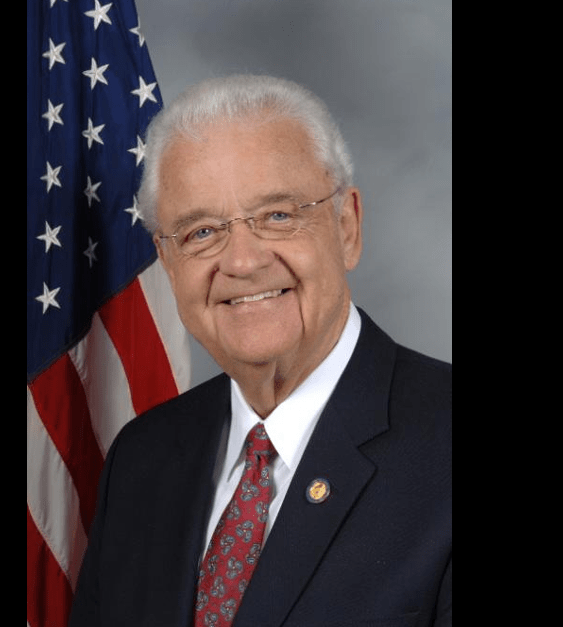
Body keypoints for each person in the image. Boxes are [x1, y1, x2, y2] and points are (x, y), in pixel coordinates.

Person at [69, 74, 451, 627]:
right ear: (167, 262)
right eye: (202, 232)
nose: (243, 262)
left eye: (278, 215)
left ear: (347, 227)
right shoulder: (141, 459)